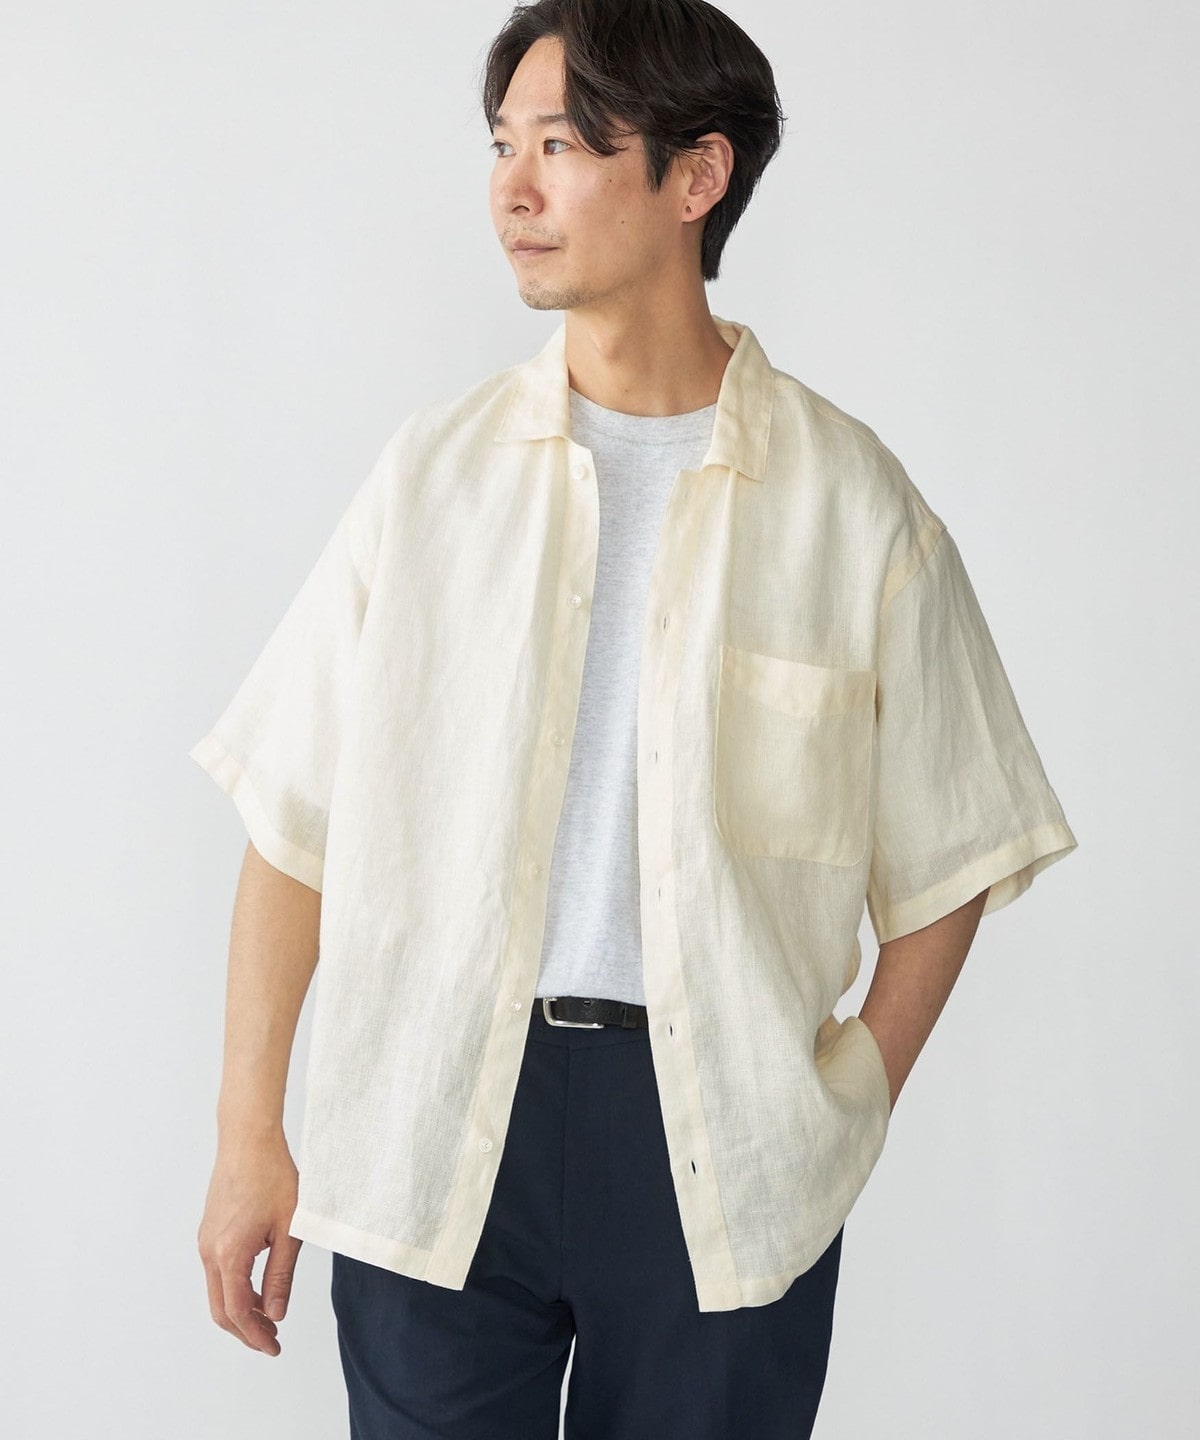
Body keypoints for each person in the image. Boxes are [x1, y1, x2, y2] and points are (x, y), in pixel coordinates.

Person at [191, 1, 1078, 1435]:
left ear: (695, 176)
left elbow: (959, 844)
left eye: (561, 144)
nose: (513, 189)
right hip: (434, 1117)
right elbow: (294, 821)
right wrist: (250, 1135)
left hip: (717, 1141)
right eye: (502, 145)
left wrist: (851, 1093)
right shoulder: (434, 479)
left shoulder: (850, 506)